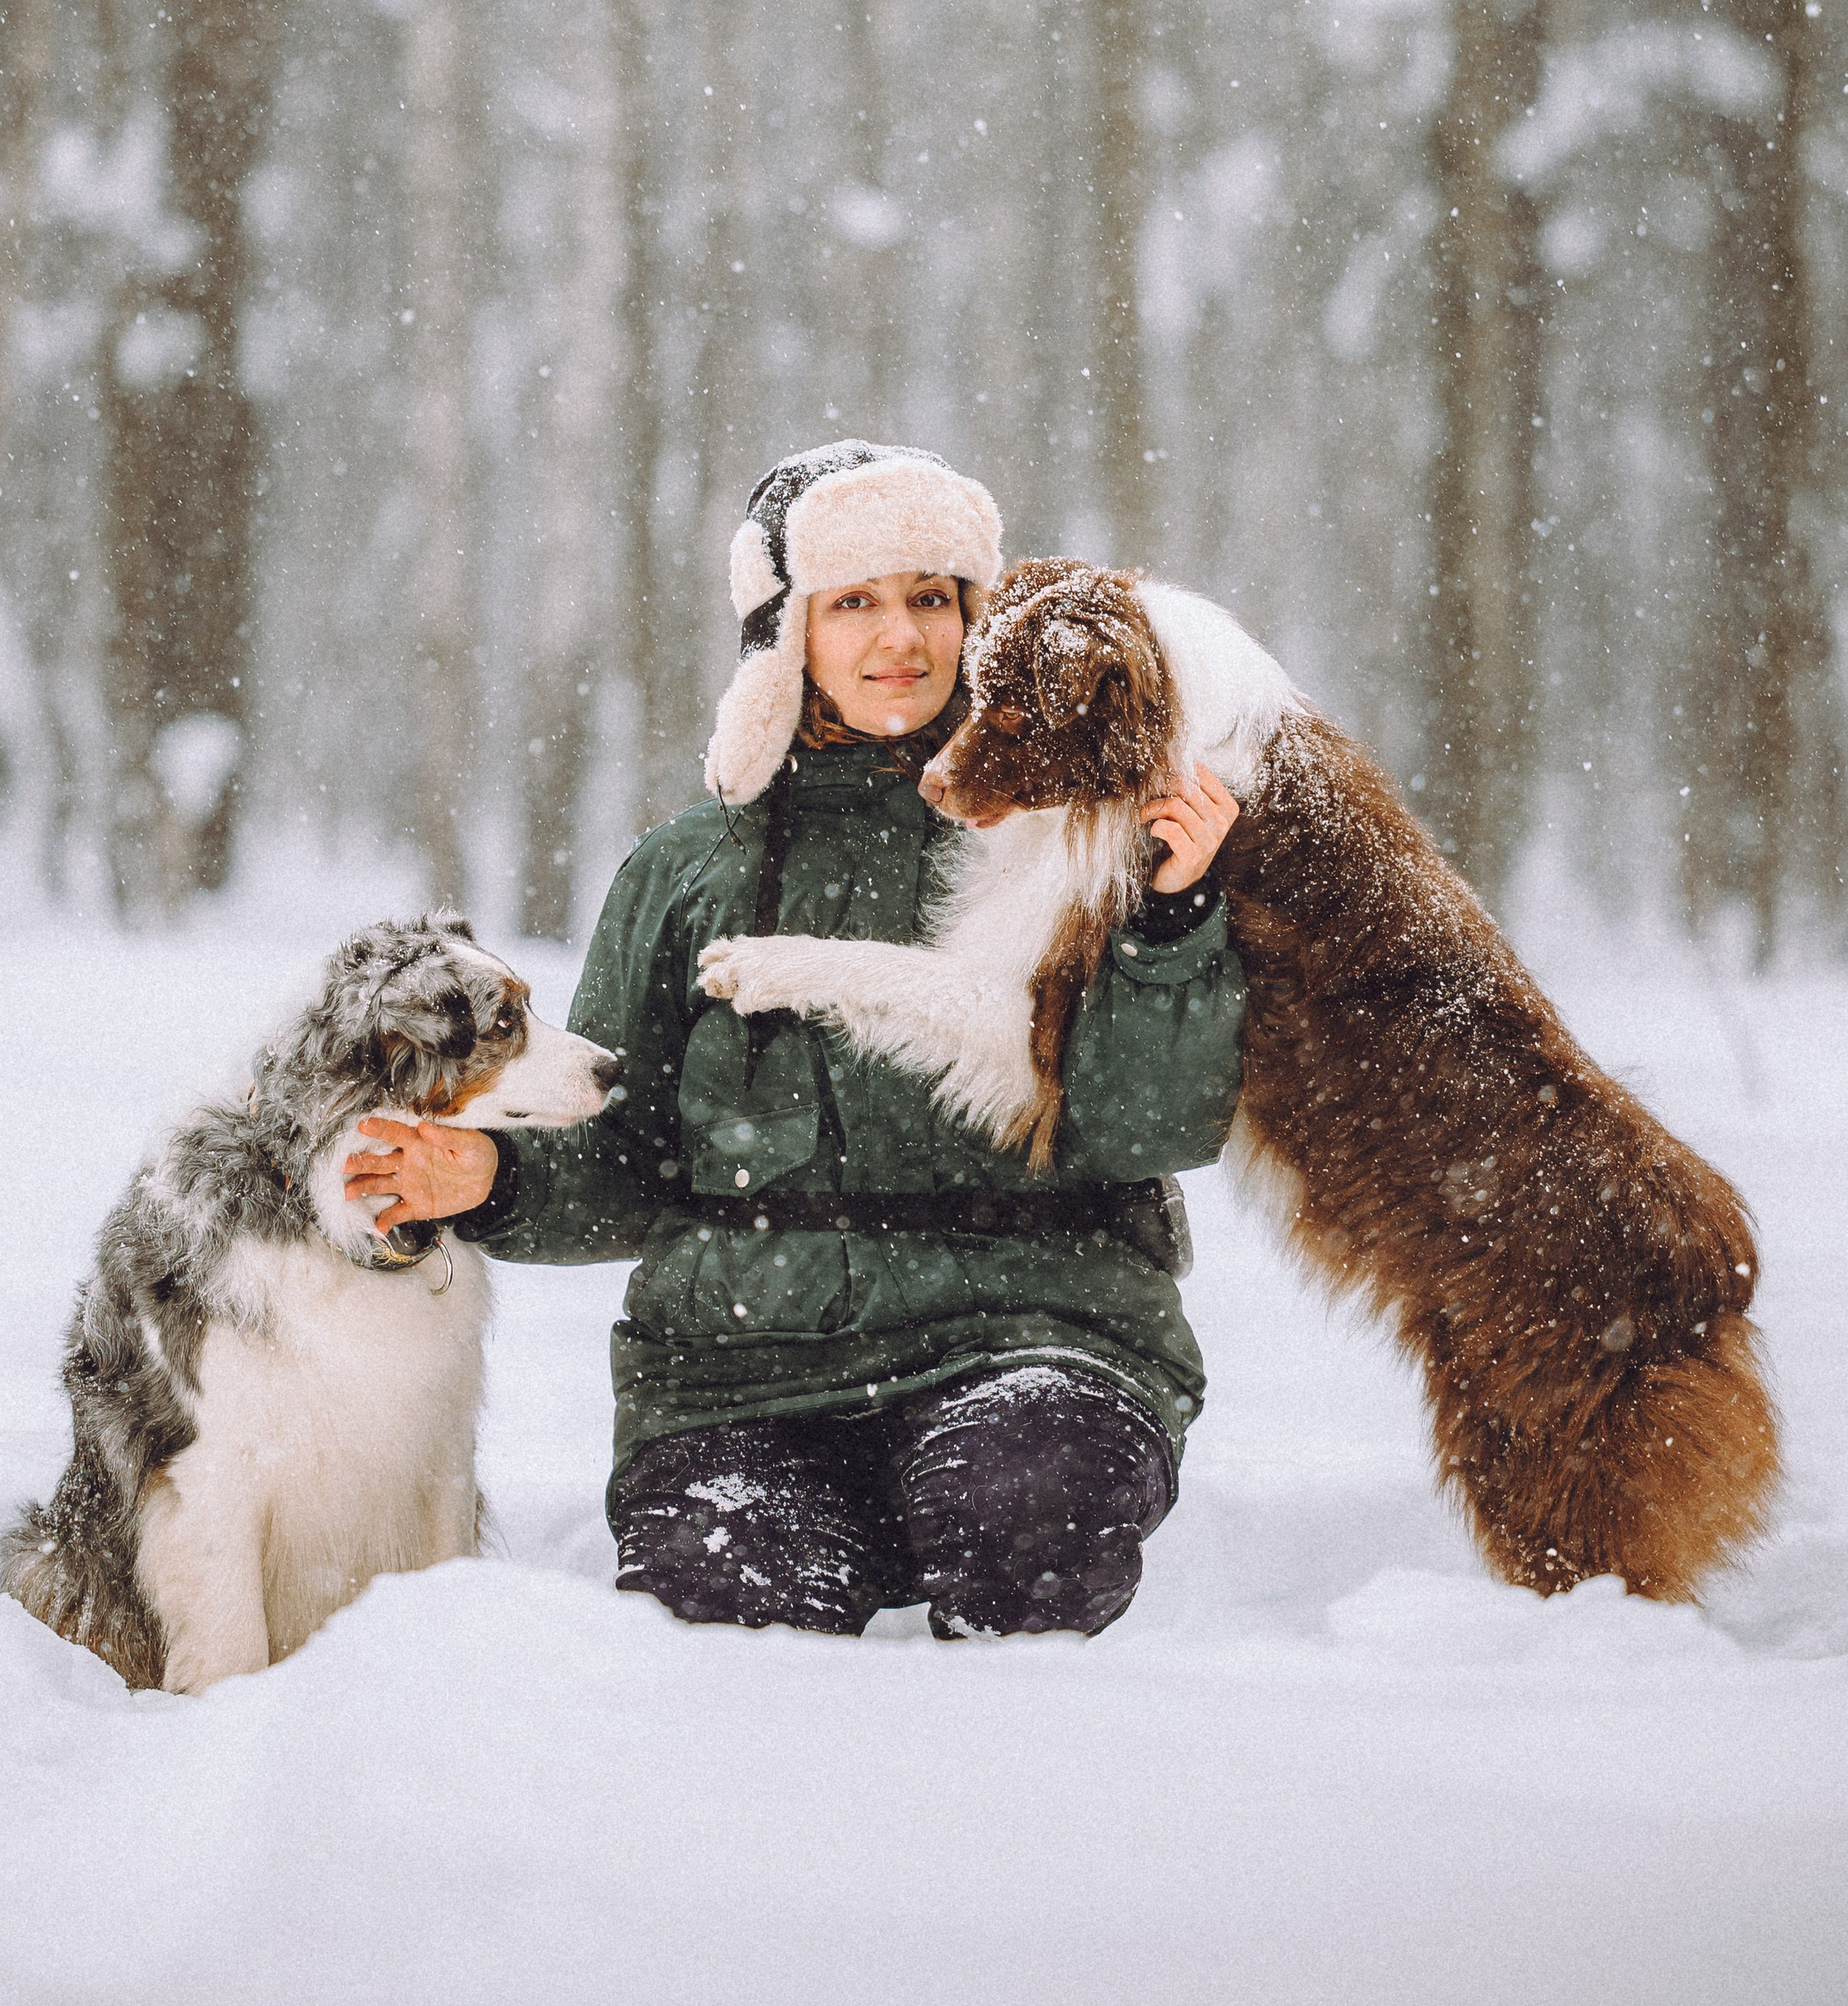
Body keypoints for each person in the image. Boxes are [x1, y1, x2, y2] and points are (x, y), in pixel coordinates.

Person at [347, 440, 1243, 1638]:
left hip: (1038, 1341)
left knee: (1026, 1518)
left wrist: (1173, 920)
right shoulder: (684, 874)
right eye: (855, 603)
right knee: (727, 1609)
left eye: (933, 598)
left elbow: (1156, 1124)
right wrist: (491, 1179)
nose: (902, 640)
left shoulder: (1075, 834)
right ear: (785, 634)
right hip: (739, 1378)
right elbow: (621, 1168)